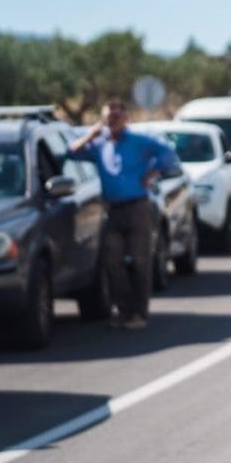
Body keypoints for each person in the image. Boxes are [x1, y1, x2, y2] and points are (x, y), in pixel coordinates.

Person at [69, 99, 180, 329]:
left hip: (137, 207)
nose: (113, 121)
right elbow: (72, 152)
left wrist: (152, 173)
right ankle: (123, 309)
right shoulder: (99, 144)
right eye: (108, 117)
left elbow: (168, 154)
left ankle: (139, 312)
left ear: (126, 118)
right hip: (112, 209)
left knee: (140, 261)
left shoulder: (139, 141)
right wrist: (92, 134)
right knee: (112, 262)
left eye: (117, 116)